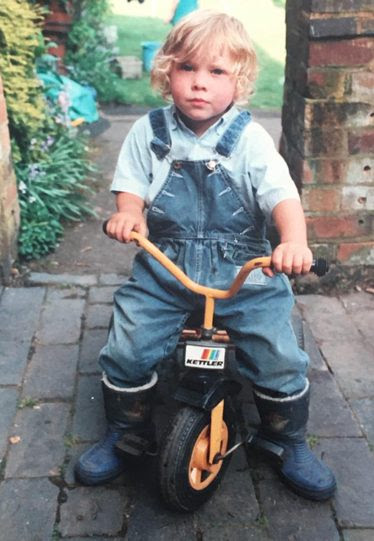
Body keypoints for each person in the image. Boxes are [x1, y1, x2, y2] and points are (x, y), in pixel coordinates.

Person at [75, 10, 336, 502]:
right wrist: (130, 215)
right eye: (187, 68)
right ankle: (124, 429)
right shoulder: (148, 133)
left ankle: (286, 438)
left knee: (278, 352)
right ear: (166, 72)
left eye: (216, 72)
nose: (199, 84)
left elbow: (282, 197)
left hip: (242, 269)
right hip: (166, 265)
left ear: (239, 82)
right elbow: (130, 187)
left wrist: (292, 242)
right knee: (128, 344)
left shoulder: (249, 140)